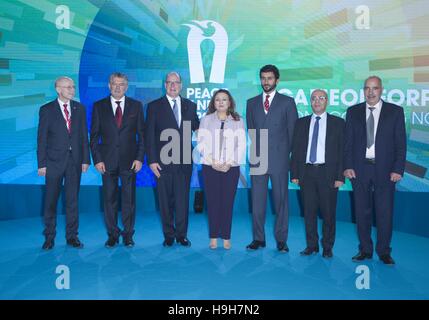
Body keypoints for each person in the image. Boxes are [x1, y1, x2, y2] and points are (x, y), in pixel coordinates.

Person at [344, 76, 406, 265]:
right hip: (359, 170)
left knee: (384, 213)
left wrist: (398, 169)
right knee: (362, 212)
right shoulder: (353, 111)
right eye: (367, 88)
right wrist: (347, 166)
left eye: (375, 88)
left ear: (381, 90)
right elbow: (347, 144)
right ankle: (365, 250)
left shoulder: (395, 111)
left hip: (386, 171)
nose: (371, 92)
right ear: (363, 90)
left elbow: (401, 144)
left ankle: (384, 251)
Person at [246, 65, 298, 252]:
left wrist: (286, 156)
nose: (266, 82)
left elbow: (293, 134)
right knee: (257, 202)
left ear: (277, 80)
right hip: (258, 158)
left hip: (279, 159)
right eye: (263, 78)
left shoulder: (287, 102)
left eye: (269, 78)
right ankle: (258, 239)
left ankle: (281, 240)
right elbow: (251, 131)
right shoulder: (251, 103)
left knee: (281, 201)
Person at [90, 72, 144, 248]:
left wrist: (139, 158)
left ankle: (128, 234)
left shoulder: (136, 106)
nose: (118, 87)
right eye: (115, 84)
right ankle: (113, 234)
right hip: (107, 162)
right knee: (109, 199)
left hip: (130, 161)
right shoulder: (99, 106)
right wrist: (97, 160)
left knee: (129, 200)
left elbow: (141, 136)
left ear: (127, 87)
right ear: (109, 85)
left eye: (122, 84)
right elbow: (94, 137)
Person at [145, 72, 200, 247]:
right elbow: (149, 135)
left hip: (184, 162)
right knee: (164, 200)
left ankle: (182, 235)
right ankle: (169, 235)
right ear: (165, 85)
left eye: (176, 83)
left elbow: (198, 128)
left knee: (183, 200)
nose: (173, 86)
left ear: (181, 85)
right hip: (161, 162)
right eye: (169, 83)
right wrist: (152, 160)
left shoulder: (190, 106)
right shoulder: (154, 106)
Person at [37, 76, 90, 250]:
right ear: (58, 89)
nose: (72, 90)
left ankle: (72, 236)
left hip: (74, 162)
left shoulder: (79, 109)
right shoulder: (46, 110)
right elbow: (42, 139)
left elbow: (83, 136)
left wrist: (85, 159)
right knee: (51, 200)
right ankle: (49, 237)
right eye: (68, 87)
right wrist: (41, 164)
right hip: (53, 163)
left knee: (72, 200)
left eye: (73, 87)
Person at [290, 90, 345, 258]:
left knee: (328, 214)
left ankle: (328, 247)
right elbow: (296, 150)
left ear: (327, 101)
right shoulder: (301, 123)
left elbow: (342, 152)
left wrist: (339, 177)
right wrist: (295, 173)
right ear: (310, 102)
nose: (317, 101)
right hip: (306, 173)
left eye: (321, 98)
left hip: (328, 175)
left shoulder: (338, 123)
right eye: (314, 98)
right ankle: (311, 246)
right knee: (309, 213)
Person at [197, 89, 246, 250]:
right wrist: (213, 162)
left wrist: (229, 163)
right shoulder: (206, 120)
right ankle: (213, 237)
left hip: (230, 168)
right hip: (210, 167)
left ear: (229, 102)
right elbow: (202, 143)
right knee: (212, 202)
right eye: (217, 99)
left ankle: (226, 236)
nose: (221, 102)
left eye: (224, 99)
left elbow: (241, 145)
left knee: (227, 203)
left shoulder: (238, 120)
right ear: (214, 102)